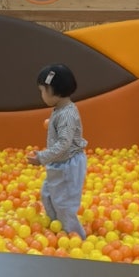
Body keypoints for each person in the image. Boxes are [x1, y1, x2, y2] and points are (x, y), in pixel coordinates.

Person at [27, 63, 87, 239]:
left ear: (53, 91)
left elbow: (64, 144)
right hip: (58, 162)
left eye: (42, 91)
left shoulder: (67, 114)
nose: (41, 95)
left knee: (64, 204)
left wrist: (42, 157)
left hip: (69, 165)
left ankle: (74, 237)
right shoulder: (60, 110)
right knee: (48, 195)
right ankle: (56, 229)